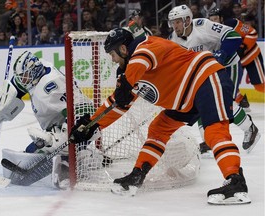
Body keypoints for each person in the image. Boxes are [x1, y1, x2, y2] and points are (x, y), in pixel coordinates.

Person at [70, 27, 251, 204]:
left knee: (214, 131)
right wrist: (93, 124)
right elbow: (118, 104)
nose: (112, 59)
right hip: (184, 101)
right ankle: (137, 175)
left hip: (205, 78)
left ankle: (235, 181)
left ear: (123, 49)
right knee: (158, 128)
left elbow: (143, 59)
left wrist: (128, 80)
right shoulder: (130, 74)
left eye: (112, 54)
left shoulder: (147, 45)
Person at [0, 51, 95, 189]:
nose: (23, 80)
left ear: (34, 71)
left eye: (25, 76)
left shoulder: (51, 86)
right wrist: (3, 99)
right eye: (22, 76)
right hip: (57, 125)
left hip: (83, 125)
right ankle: (72, 152)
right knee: (32, 151)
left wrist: (65, 134)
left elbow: (80, 109)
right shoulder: (39, 69)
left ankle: (83, 158)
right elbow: (18, 85)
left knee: (57, 147)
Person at [167, 5, 260, 156]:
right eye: (172, 22)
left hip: (228, 65)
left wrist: (222, 53)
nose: (174, 26)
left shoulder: (203, 25)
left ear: (188, 20)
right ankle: (209, 139)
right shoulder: (173, 39)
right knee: (202, 103)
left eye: (177, 22)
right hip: (207, 71)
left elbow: (234, 37)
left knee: (224, 102)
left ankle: (250, 128)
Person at [208, 8, 265, 108]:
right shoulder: (208, 32)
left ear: (221, 19)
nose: (213, 22)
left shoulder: (233, 24)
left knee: (260, 86)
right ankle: (240, 99)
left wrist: (243, 46)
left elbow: (252, 33)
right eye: (211, 20)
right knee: (227, 82)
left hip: (250, 56)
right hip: (234, 61)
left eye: (215, 19)